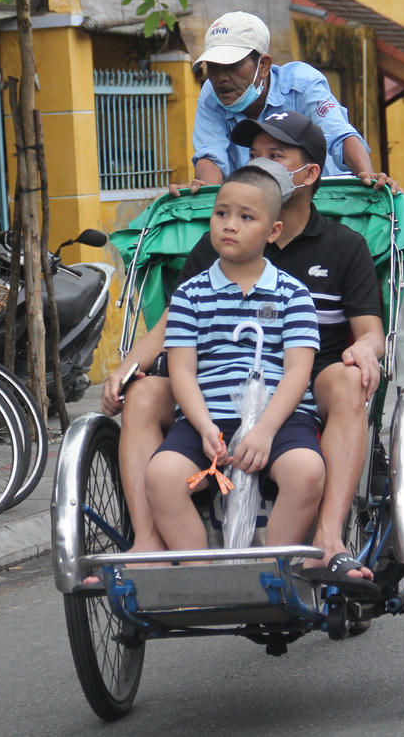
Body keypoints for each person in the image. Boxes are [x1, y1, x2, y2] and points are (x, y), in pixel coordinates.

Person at [102, 111, 384, 579]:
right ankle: (150, 541)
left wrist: (367, 349)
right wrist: (128, 367)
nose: (262, 165)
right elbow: (174, 325)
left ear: (310, 173)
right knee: (146, 390)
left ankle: (327, 539)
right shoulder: (218, 248)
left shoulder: (343, 246)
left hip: (309, 379)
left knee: (347, 380)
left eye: (277, 156)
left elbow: (369, 328)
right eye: (254, 156)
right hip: (212, 387)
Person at [146, 164, 324, 552]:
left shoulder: (292, 293)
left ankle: (276, 569)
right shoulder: (190, 294)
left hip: (279, 419)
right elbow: (182, 371)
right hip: (205, 419)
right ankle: (200, 572)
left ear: (273, 231)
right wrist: (205, 426)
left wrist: (264, 431)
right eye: (221, 213)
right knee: (161, 476)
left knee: (307, 472)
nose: (230, 225)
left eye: (246, 217)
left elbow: (298, 372)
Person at [189, 10, 392, 190]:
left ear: (264, 66)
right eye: (213, 66)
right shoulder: (211, 95)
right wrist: (204, 193)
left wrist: (368, 178)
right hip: (257, 209)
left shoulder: (302, 83)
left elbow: (339, 134)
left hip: (323, 202)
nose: (221, 77)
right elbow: (211, 153)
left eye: (233, 65)